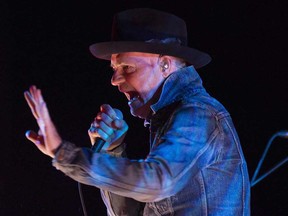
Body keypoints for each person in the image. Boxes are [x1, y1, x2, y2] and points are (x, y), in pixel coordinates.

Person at [24, 8, 251, 216]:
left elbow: (158, 182)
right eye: (114, 69)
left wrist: (64, 153)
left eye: (127, 67)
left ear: (164, 65)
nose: (114, 80)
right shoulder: (169, 119)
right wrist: (112, 150)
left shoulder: (198, 114)